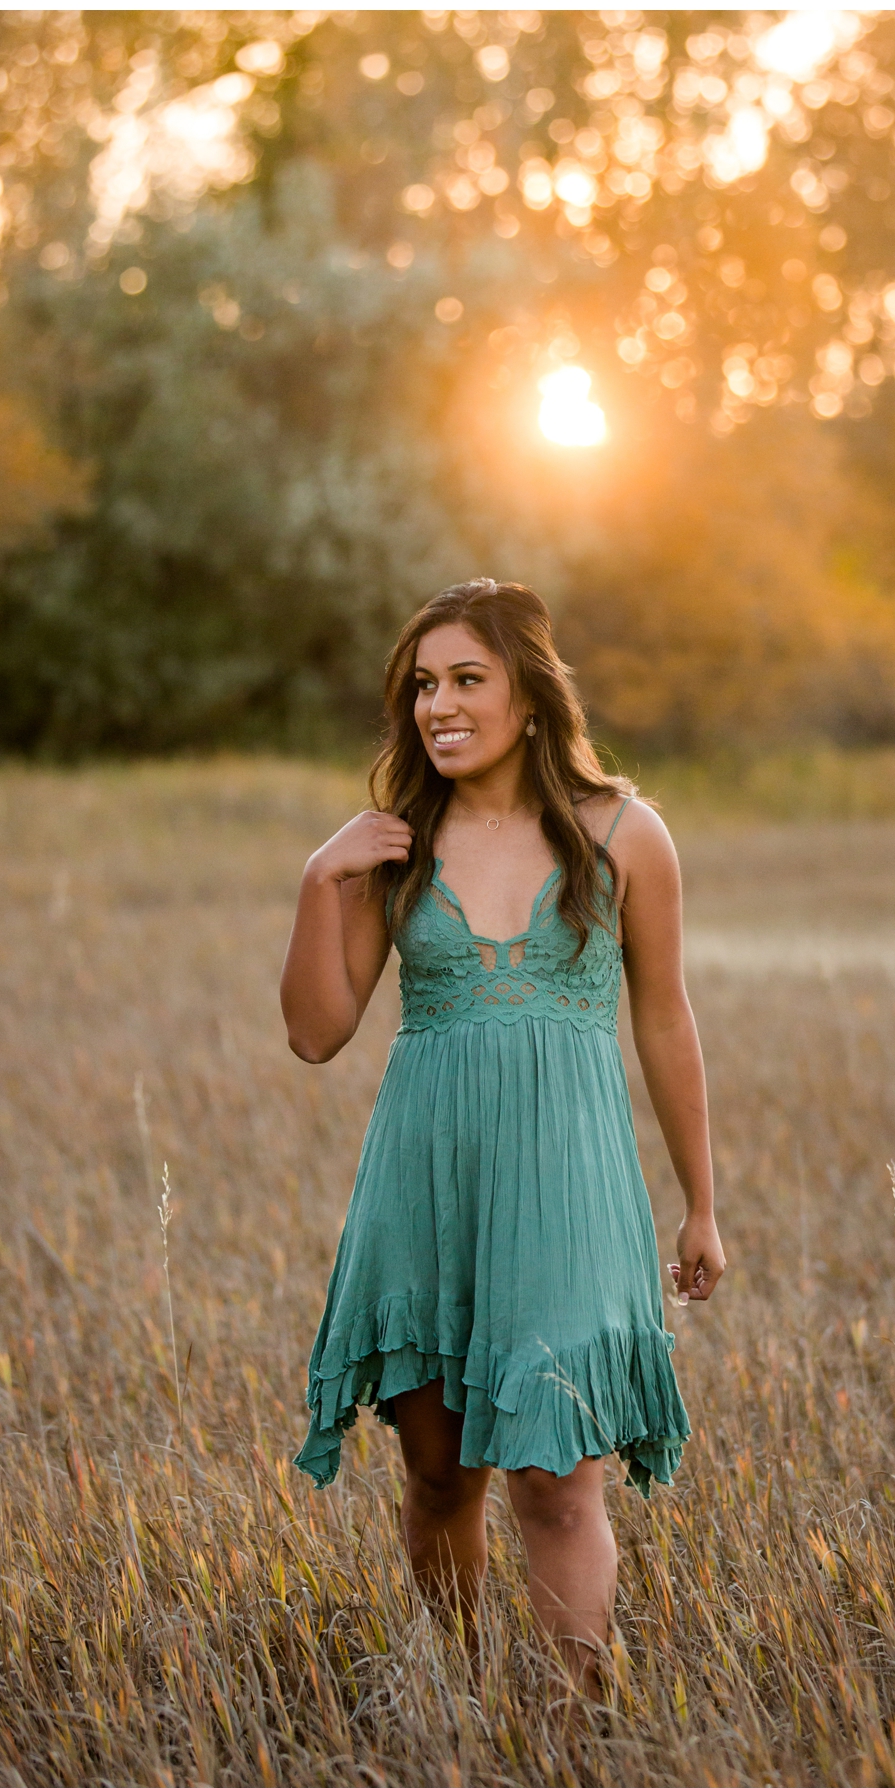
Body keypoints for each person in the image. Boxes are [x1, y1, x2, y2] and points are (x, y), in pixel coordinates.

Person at [280, 576, 725, 1698]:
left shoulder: (627, 834)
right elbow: (317, 1033)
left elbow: (666, 1019)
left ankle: (581, 1721)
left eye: (466, 678)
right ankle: (471, 1694)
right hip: (426, 1184)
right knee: (437, 1478)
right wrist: (316, 882)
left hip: (570, 1189)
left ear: (529, 692)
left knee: (557, 1481)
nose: (439, 704)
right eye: (422, 684)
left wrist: (703, 1202)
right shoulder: (393, 843)